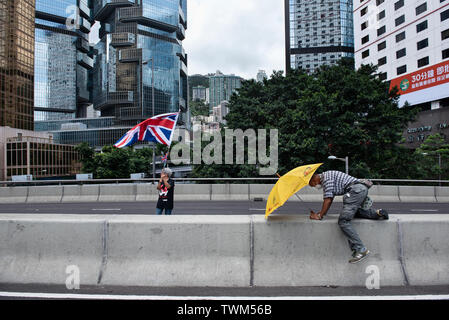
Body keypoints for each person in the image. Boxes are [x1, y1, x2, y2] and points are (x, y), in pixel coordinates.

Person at [308, 170, 389, 264]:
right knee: (352, 213)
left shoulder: (326, 180)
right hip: (360, 189)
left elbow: (328, 200)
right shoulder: (327, 176)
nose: (315, 186)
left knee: (343, 221)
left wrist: (319, 216)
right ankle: (377, 213)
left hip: (355, 191)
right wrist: (322, 213)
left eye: (312, 184)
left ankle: (360, 249)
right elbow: (330, 197)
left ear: (314, 178)